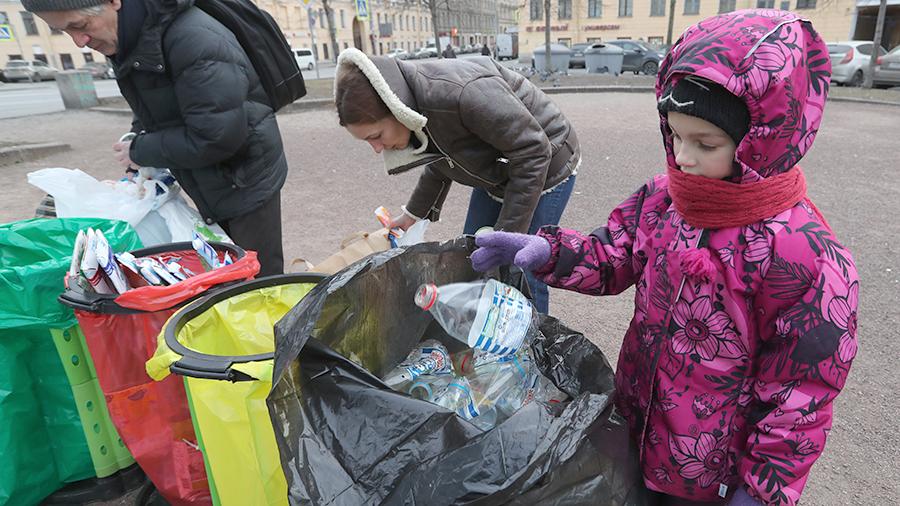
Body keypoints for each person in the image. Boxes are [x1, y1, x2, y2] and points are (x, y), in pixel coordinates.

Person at [471, 10, 857, 506]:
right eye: (674, 135)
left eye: (706, 142)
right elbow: (613, 254)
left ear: (763, 140)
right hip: (638, 427)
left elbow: (800, 394)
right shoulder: (663, 199)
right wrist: (547, 250)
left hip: (713, 470)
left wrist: (762, 491)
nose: (684, 157)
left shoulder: (804, 255)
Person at [25, 0, 287, 276]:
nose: (79, 42)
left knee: (257, 278)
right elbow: (155, 107)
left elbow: (215, 136)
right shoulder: (132, 37)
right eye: (63, 31)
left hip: (244, 177)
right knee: (228, 270)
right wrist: (136, 137)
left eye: (80, 26)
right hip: (215, 175)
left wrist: (139, 150)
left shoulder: (193, 38)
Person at [334, 47, 581, 314]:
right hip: (500, 169)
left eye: (376, 135)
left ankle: (533, 347)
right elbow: (442, 161)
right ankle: (481, 337)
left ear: (395, 108)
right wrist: (413, 214)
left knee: (521, 265)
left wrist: (505, 235)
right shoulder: (415, 106)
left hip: (547, 164)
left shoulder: (461, 93)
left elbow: (533, 151)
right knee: (470, 256)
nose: (377, 148)